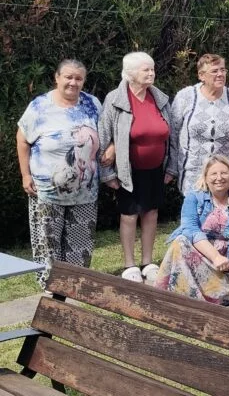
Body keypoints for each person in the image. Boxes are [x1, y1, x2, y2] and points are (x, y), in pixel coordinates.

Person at [16, 59, 102, 289]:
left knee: (79, 244)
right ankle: (50, 292)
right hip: (46, 194)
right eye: (68, 77)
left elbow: (105, 134)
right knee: (47, 245)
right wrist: (25, 175)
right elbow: (22, 139)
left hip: (85, 193)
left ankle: (74, 290)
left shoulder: (93, 104)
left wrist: (110, 148)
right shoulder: (39, 106)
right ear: (57, 78)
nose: (73, 82)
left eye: (78, 78)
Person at [98, 52, 172, 284]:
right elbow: (103, 136)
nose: (151, 73)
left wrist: (172, 168)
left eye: (152, 69)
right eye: (145, 70)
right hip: (127, 171)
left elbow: (173, 136)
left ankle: (148, 262)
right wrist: (107, 173)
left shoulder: (160, 99)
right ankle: (130, 264)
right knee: (129, 215)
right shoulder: (115, 99)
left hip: (155, 170)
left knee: (151, 213)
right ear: (130, 73)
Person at [155, 155, 229, 307]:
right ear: (205, 178)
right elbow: (190, 230)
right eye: (213, 174)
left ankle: (228, 292)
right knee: (180, 242)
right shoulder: (194, 197)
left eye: (224, 173)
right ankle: (185, 296)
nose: (219, 178)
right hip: (205, 254)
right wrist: (215, 257)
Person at [168, 54, 229, 195]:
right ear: (201, 75)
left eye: (223, 70)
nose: (220, 74)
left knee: (225, 214)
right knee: (196, 214)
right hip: (193, 173)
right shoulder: (185, 97)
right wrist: (171, 168)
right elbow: (173, 134)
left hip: (225, 175)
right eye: (215, 71)